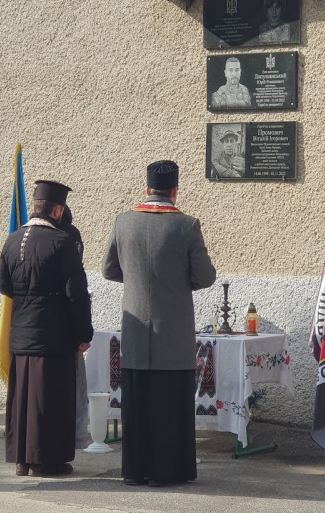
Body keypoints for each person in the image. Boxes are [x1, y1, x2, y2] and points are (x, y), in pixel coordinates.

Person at [101, 161, 216, 487]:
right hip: (173, 334)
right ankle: (167, 472)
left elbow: (109, 269)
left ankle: (135, 471)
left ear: (147, 188)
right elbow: (205, 276)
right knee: (170, 406)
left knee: (137, 405)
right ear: (175, 190)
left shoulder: (124, 222)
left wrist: (138, 279)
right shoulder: (187, 225)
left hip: (137, 334)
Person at [0, 180, 93, 477]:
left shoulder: (13, 239)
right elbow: (76, 293)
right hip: (53, 336)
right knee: (48, 402)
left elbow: (3, 284)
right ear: (57, 209)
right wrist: (83, 334)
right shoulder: (62, 242)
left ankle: (21, 461)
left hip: (22, 333)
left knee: (22, 401)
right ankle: (46, 462)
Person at [60, 205, 88, 450]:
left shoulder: (20, 237)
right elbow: (76, 291)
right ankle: (70, 440)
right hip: (65, 328)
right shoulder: (69, 237)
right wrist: (83, 333)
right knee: (70, 390)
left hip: (27, 331)